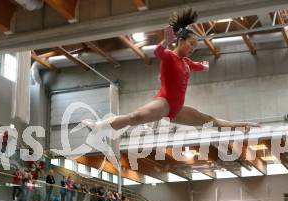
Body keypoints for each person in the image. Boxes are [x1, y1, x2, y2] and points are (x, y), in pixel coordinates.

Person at [72, 9, 259, 161]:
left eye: (195, 46)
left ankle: (240, 125)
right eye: (191, 44)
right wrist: (167, 38)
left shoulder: (186, 62)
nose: (193, 48)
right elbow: (157, 51)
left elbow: (200, 66)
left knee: (209, 120)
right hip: (164, 103)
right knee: (135, 117)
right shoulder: (169, 56)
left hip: (177, 109)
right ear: (181, 41)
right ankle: (98, 126)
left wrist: (210, 61)